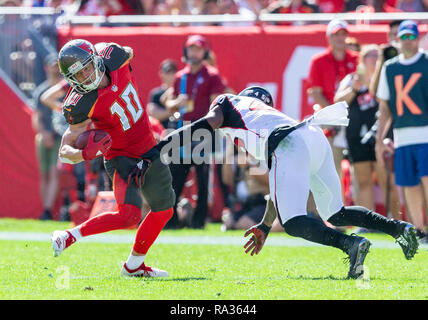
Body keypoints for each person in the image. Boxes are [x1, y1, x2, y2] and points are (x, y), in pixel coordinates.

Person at [142, 85, 419, 279]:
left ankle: (351, 245)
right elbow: (278, 186)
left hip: (287, 142)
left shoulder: (230, 103)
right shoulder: (266, 117)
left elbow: (210, 120)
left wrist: (166, 141)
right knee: (336, 211)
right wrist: (264, 224)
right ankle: (400, 229)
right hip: (312, 135)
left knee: (294, 222)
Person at [50, 39, 176, 278]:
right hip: (121, 156)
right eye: (78, 74)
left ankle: (134, 266)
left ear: (96, 59)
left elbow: (128, 51)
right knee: (129, 215)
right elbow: (65, 147)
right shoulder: (81, 100)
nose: (86, 76)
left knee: (164, 209)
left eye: (86, 67)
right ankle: (68, 236)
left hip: (149, 146)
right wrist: (81, 154)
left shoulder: (115, 56)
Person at [163, 34, 226, 229]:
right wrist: (176, 102)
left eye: (198, 49)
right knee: (175, 177)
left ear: (204, 52)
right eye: (191, 49)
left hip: (203, 131)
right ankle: (171, 220)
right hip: (182, 130)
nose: (194, 53)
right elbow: (170, 105)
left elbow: (217, 104)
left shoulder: (212, 75)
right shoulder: (181, 76)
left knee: (202, 179)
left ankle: (199, 221)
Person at [376, 20, 428, 241]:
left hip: (425, 133)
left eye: (411, 37)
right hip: (402, 135)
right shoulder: (390, 67)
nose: (408, 41)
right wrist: (379, 139)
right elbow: (385, 107)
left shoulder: (426, 61)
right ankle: (419, 230)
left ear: (418, 38)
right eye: (404, 37)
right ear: (398, 40)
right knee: (409, 184)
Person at [307, 19, 359, 192]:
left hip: (355, 119)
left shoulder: (356, 59)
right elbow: (315, 92)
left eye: (343, 34)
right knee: (332, 172)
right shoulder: (319, 61)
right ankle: (336, 216)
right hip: (331, 123)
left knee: (359, 171)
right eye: (336, 34)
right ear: (329, 37)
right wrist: (334, 113)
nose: (340, 38)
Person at [32, 53, 63, 220]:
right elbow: (36, 116)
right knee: (44, 173)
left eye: (57, 65)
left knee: (54, 172)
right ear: (46, 67)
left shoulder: (64, 88)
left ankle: (48, 209)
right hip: (44, 136)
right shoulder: (41, 90)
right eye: (52, 65)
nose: (55, 68)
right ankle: (46, 209)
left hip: (59, 135)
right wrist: (43, 133)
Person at [147, 59, 178, 130]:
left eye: (173, 72)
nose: (170, 75)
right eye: (168, 72)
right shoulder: (156, 94)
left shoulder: (181, 92)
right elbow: (152, 114)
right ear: (161, 74)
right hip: (162, 133)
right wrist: (173, 112)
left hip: (181, 132)